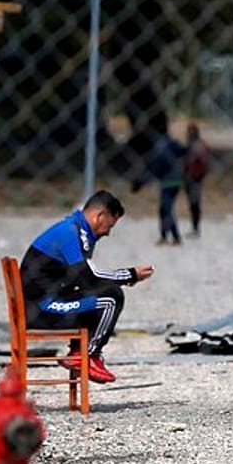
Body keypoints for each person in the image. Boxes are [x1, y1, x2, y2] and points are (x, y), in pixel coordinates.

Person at [20, 191, 154, 384]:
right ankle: (87, 356)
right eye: (110, 225)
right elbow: (87, 276)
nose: (108, 233)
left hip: (43, 301)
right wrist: (129, 274)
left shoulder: (73, 229)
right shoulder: (70, 232)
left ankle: (80, 352)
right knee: (111, 297)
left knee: (100, 295)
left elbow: (82, 280)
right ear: (100, 216)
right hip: (40, 308)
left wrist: (118, 279)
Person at [134, 130, 186, 245]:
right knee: (165, 209)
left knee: (166, 209)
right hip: (176, 181)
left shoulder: (160, 149)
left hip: (167, 183)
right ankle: (167, 236)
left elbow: (153, 170)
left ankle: (174, 237)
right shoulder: (173, 146)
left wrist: (140, 183)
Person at [182, 122, 209, 237]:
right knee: (193, 204)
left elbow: (203, 164)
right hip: (189, 177)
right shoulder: (190, 145)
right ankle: (195, 227)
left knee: (195, 203)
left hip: (195, 178)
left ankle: (196, 228)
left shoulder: (199, 145)